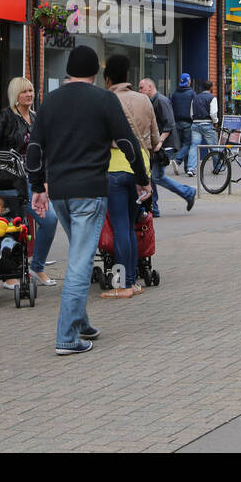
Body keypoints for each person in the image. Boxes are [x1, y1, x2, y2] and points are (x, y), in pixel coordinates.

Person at [26, 46, 150, 356]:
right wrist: (141, 178)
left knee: (80, 251)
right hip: (90, 192)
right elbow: (127, 142)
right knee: (81, 261)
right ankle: (67, 337)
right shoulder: (103, 99)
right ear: (96, 74)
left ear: (68, 71)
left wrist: (37, 186)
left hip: (61, 194)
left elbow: (35, 149)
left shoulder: (50, 101)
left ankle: (81, 323)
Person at [0, 76, 58, 288]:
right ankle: (11, 274)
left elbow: (44, 153)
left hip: (33, 180)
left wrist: (45, 182)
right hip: (9, 180)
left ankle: (38, 267)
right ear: (15, 96)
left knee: (50, 220)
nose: (29, 94)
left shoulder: (36, 117)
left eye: (31, 90)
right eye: (24, 91)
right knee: (10, 228)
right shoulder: (5, 116)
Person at [102, 55, 160, 300]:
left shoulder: (106, 100)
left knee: (121, 227)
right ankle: (134, 281)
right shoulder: (144, 100)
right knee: (133, 224)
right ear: (129, 76)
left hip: (115, 168)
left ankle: (124, 283)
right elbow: (155, 139)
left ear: (108, 78)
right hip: (141, 170)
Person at [138, 77, 195, 216]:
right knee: (152, 176)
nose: (139, 91)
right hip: (157, 146)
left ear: (150, 87)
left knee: (157, 177)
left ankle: (188, 192)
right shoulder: (151, 101)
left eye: (141, 88)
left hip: (165, 145)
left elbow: (170, 124)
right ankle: (154, 208)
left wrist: (160, 142)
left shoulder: (161, 101)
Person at [186, 80, 218, 179]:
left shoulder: (195, 98)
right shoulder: (212, 98)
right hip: (207, 124)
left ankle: (191, 168)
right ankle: (217, 167)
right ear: (211, 88)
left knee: (194, 146)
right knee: (214, 147)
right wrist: (215, 121)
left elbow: (191, 114)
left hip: (195, 124)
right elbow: (213, 113)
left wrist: (195, 120)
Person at [169, 73, 196, 174]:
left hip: (177, 122)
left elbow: (170, 105)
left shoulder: (175, 94)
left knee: (182, 145)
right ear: (188, 81)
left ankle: (187, 168)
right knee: (187, 144)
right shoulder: (192, 93)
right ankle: (177, 160)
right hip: (188, 122)